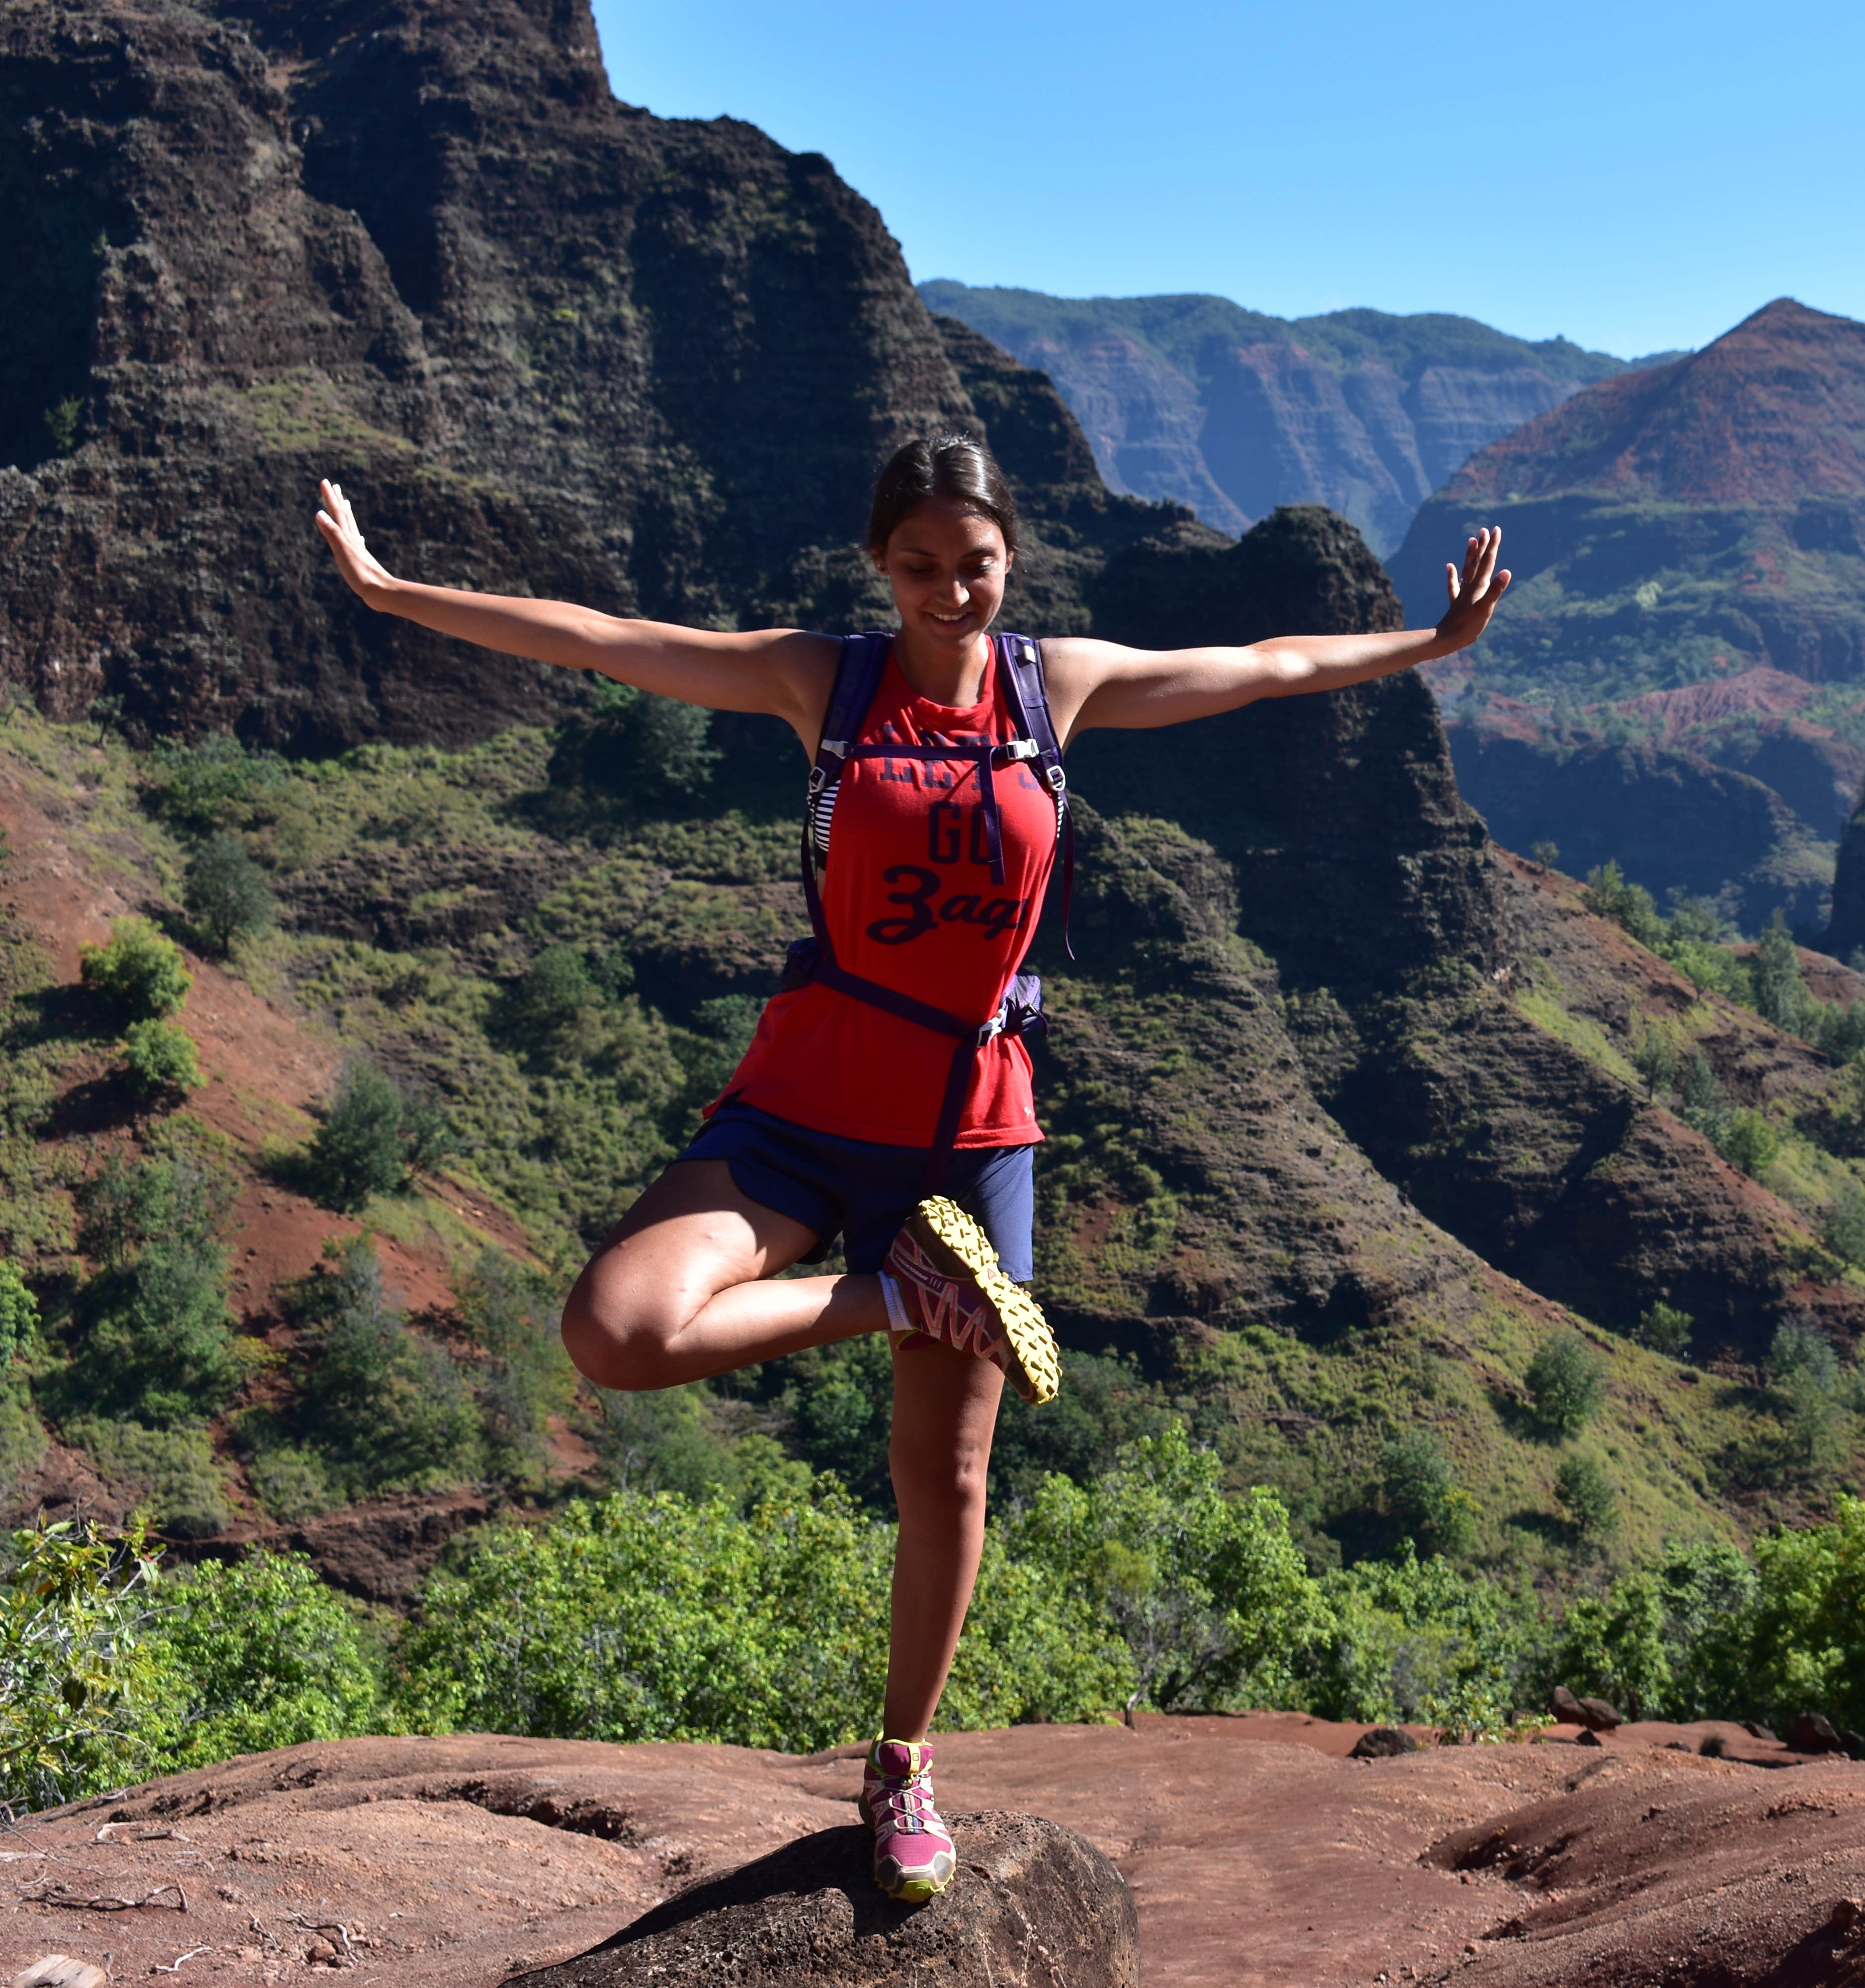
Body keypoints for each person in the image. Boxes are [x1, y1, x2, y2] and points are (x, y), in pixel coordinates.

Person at [312, 438, 1506, 1901]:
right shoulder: (823, 681)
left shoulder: (1056, 685)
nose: (951, 591)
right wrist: (389, 592)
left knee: (945, 1479)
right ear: (883, 567)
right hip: (804, 1111)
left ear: (1014, 561)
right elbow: (608, 643)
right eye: (922, 566)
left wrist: (1429, 642)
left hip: (973, 1127)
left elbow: (1261, 662)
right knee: (614, 1333)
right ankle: (904, 1289)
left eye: (977, 564)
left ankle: (901, 1769)